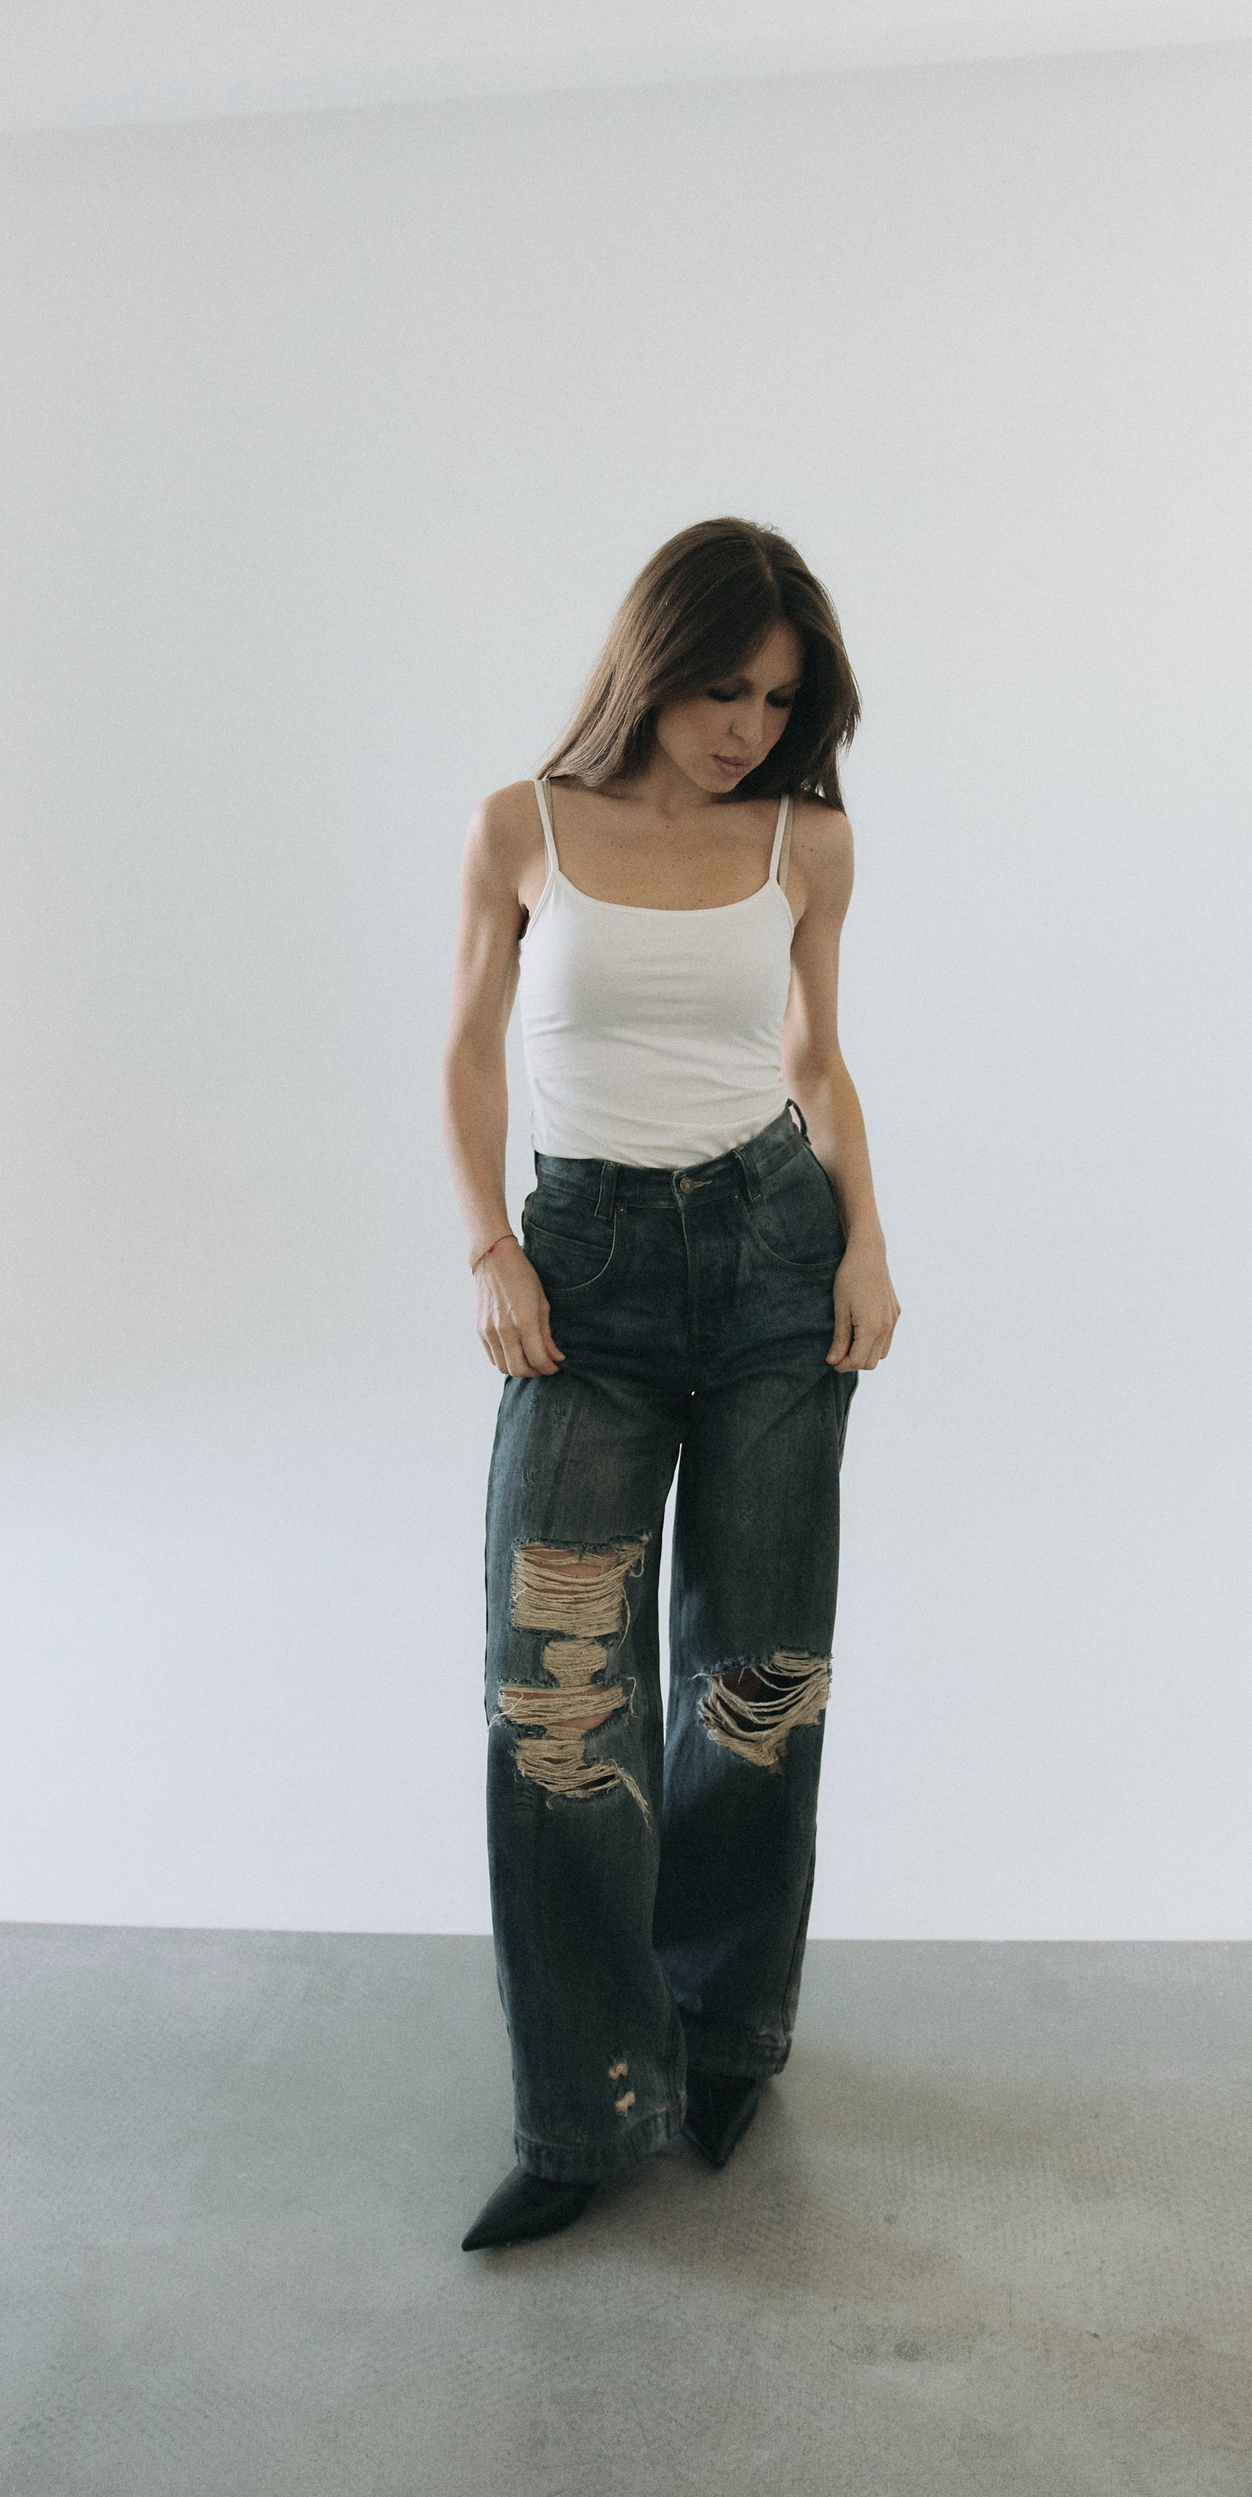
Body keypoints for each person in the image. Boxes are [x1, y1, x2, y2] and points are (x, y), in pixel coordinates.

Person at [441, 517, 899, 2252]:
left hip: (776, 1257)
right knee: (558, 1700)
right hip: (589, 1278)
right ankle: (584, 2104)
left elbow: (816, 1060)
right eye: (726, 692)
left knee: (753, 1678)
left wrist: (865, 1245)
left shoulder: (808, 841)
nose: (749, 730)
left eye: (780, 702)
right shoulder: (522, 827)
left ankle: (720, 2038)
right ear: (656, 663)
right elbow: (469, 1052)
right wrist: (491, 1248)